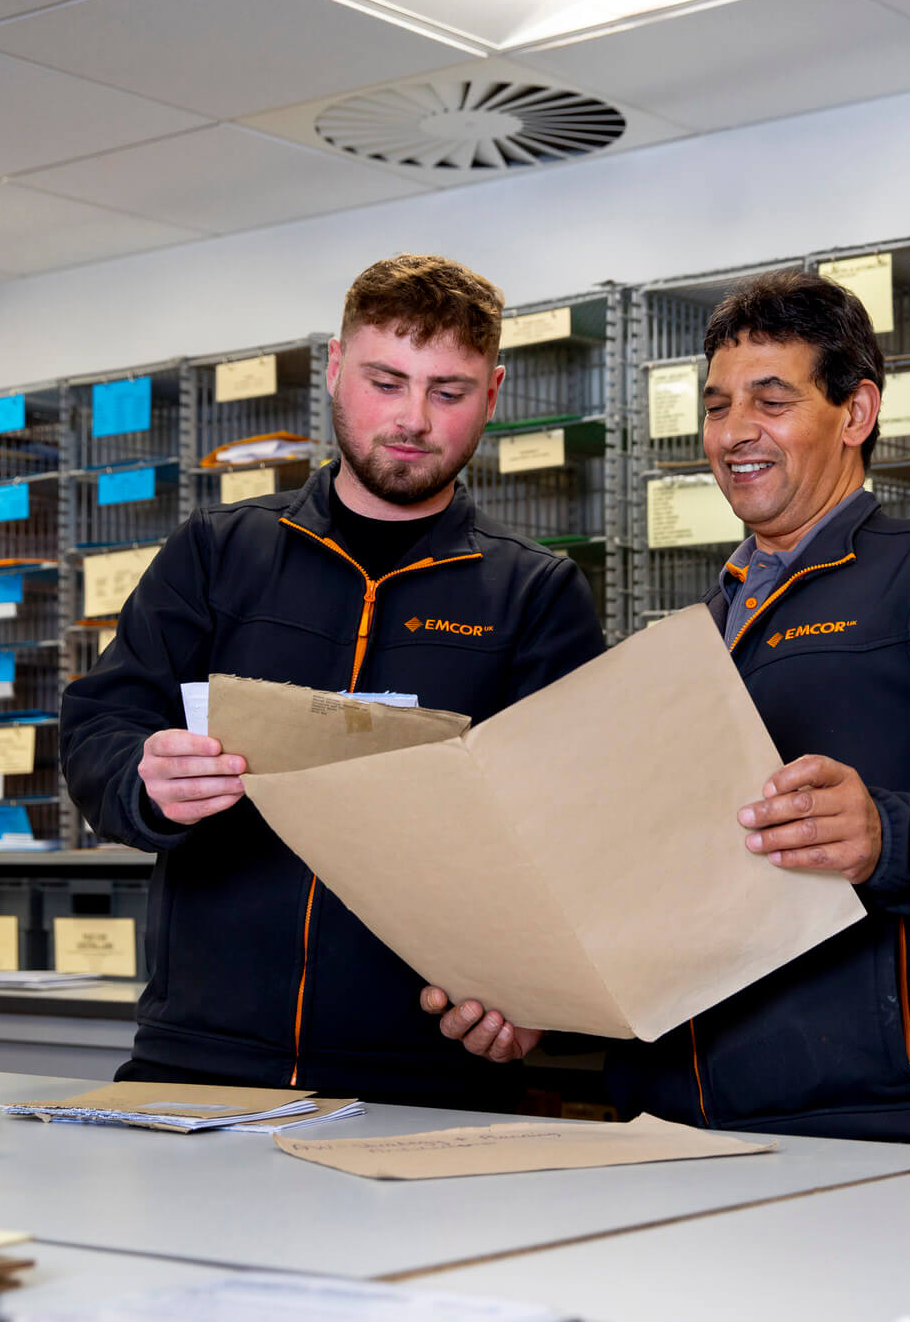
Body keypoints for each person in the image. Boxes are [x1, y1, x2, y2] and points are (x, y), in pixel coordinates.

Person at [431, 269, 910, 1150]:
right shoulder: (696, 631)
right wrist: (542, 1000)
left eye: (771, 400)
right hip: (674, 1114)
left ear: (857, 413)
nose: (734, 433)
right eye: (717, 406)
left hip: (882, 1117)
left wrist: (888, 839)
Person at [61, 254, 605, 1109]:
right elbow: (99, 726)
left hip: (426, 1076)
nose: (413, 419)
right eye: (386, 381)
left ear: (493, 396)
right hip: (198, 1059)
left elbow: (572, 831)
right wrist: (144, 777)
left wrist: (532, 995)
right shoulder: (218, 553)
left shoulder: (535, 592)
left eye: (449, 392)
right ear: (334, 370)